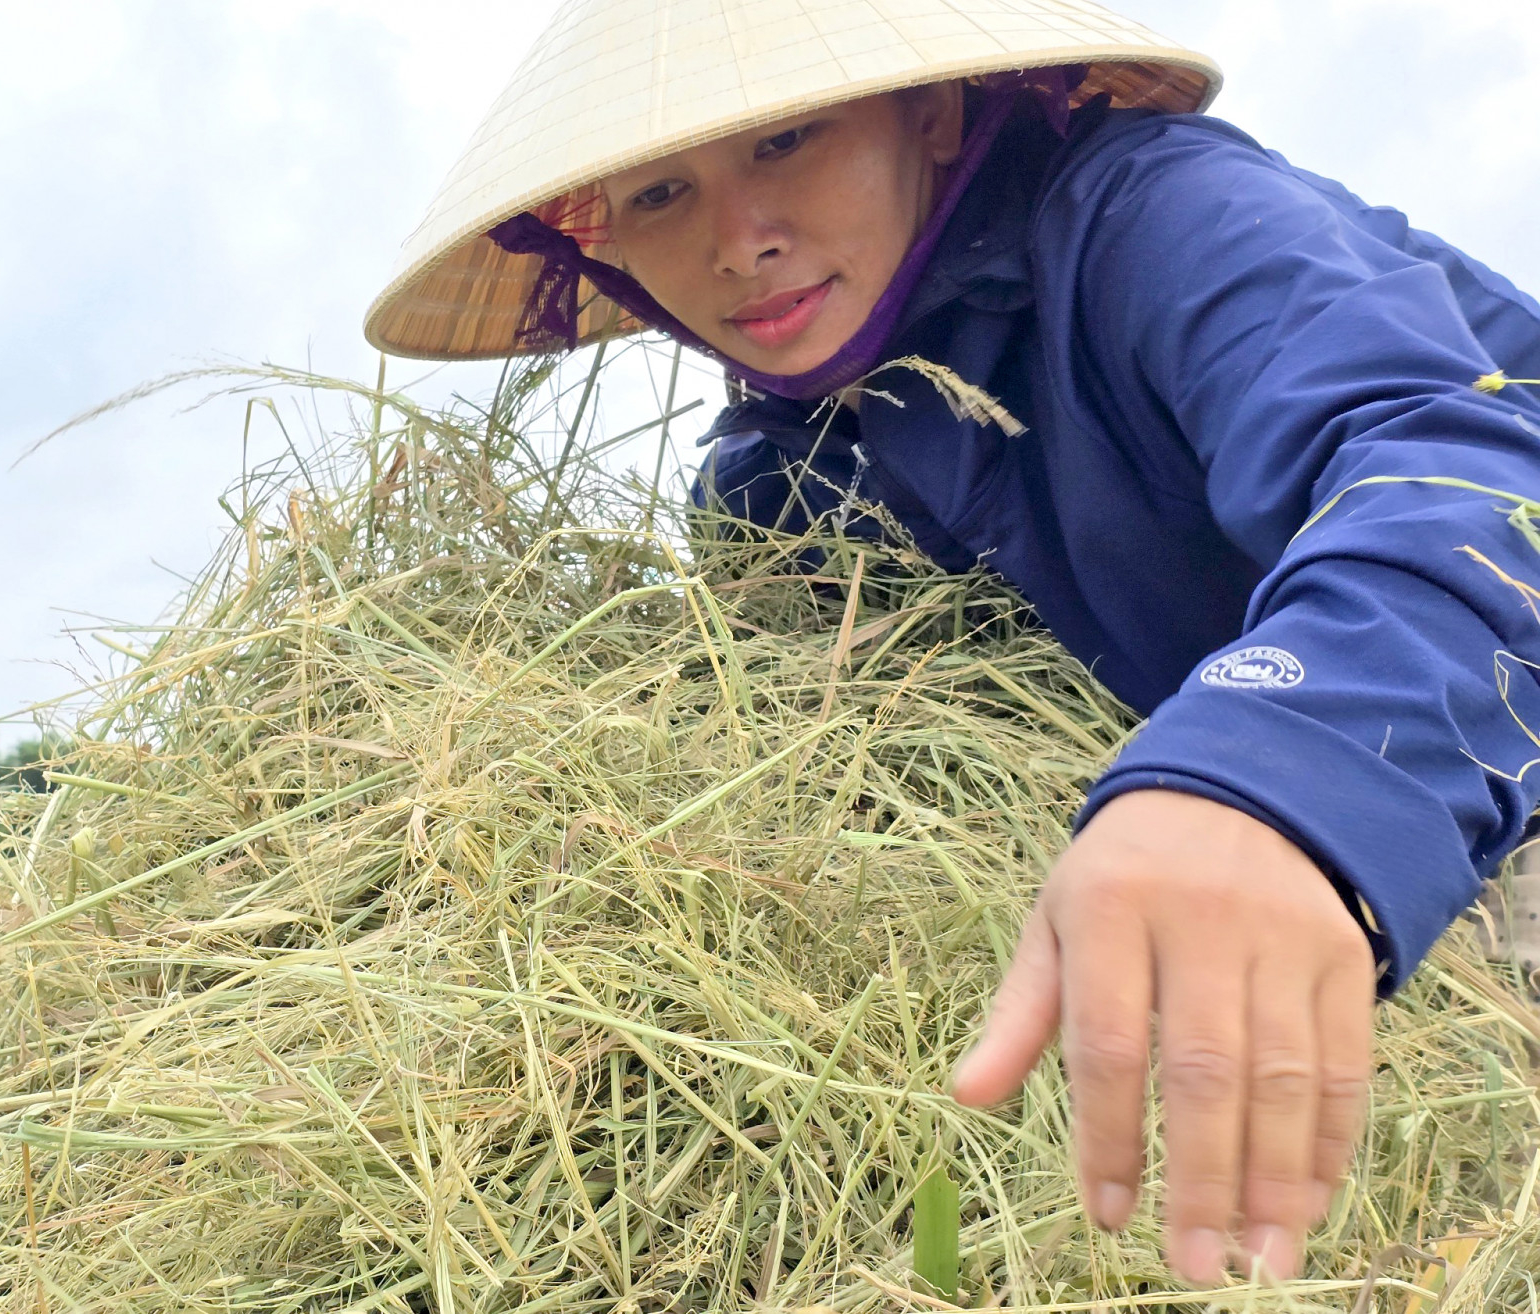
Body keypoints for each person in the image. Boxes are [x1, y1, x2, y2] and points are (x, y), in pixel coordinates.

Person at [365, 0, 1540, 1289]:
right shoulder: (774, 497)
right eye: (657, 193)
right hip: (1280, 930)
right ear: (604, 247)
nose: (739, 242)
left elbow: (1463, 477)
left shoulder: (1155, 215)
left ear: (927, 114)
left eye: (784, 140)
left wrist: (1275, 769)